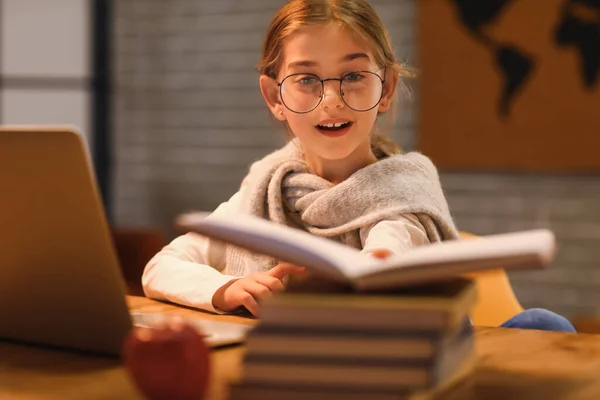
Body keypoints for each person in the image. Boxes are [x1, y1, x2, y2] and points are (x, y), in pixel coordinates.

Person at [142, 0, 575, 333]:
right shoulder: (264, 187)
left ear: (385, 90)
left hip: (393, 368)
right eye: (306, 79)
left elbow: (388, 252)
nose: (330, 98)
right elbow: (161, 267)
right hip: (294, 376)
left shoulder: (403, 197)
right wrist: (225, 289)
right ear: (276, 98)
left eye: (352, 76)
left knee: (542, 326)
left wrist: (373, 271)